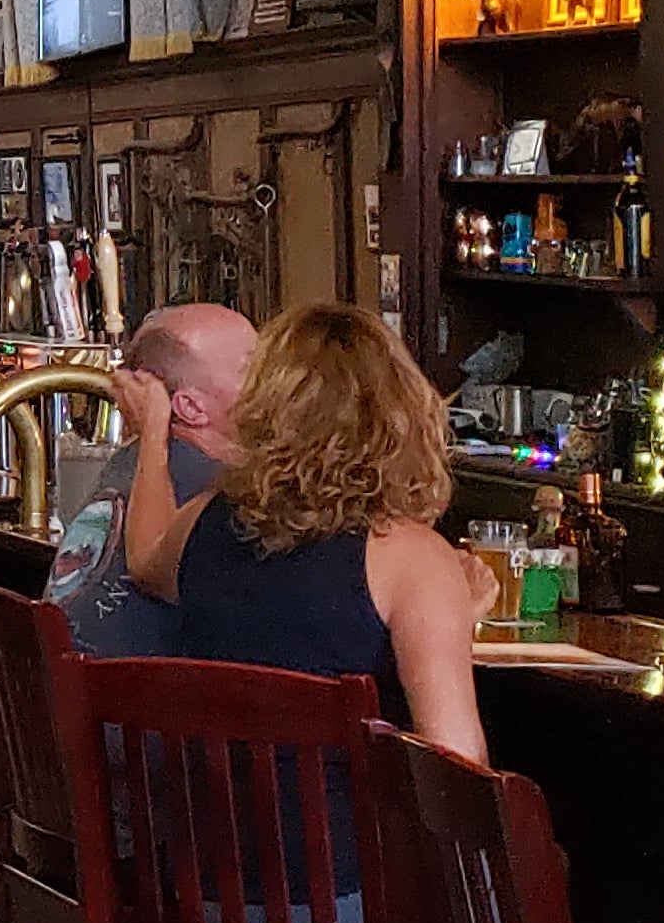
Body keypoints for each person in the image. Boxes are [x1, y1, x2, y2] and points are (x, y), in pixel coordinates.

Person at [122, 299, 488, 762]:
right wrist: (451, 615)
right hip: (349, 832)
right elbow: (456, 767)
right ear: (402, 413)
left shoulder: (202, 519)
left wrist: (152, 437)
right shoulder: (411, 558)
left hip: (210, 830)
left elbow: (144, 561)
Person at [41, 303, 256, 653]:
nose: (276, 383)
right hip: (135, 704)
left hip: (65, 697)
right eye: (252, 368)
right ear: (191, 408)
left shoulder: (130, 461)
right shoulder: (219, 493)